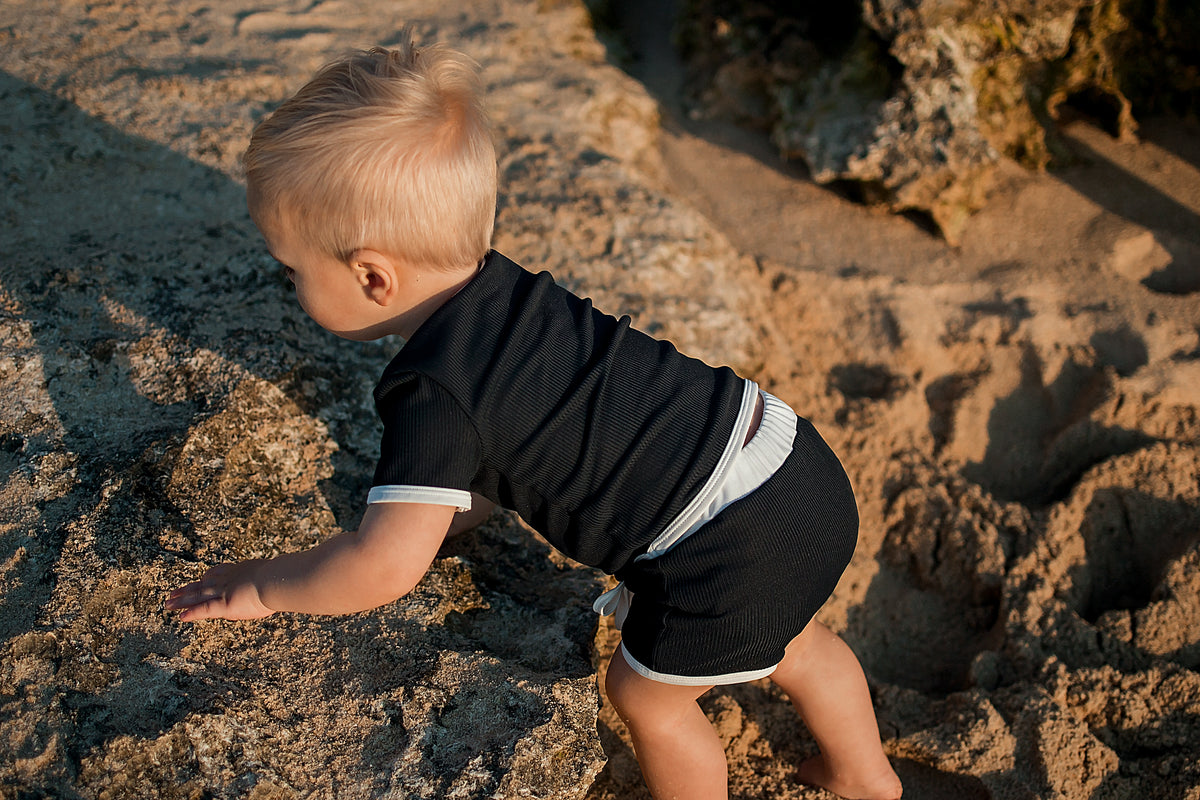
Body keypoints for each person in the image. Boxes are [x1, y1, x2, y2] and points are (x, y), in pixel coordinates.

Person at [165, 33, 902, 800]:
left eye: (293, 270)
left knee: (646, 700)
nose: (288, 285)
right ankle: (865, 775)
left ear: (373, 276)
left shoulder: (434, 392)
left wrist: (261, 586)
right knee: (796, 642)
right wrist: (438, 507)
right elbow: (519, 445)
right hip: (793, 464)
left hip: (725, 547)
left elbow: (381, 569)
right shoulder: (512, 292)